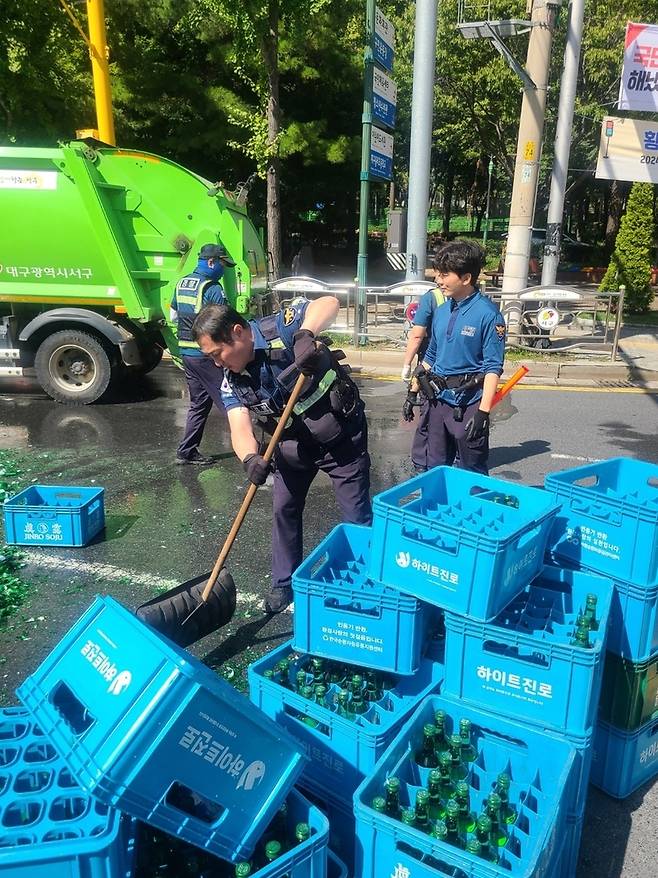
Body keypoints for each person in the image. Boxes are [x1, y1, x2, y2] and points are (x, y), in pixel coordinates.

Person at [192, 296, 372, 613]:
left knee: (355, 515)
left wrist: (306, 334)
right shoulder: (230, 382)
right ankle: (283, 583)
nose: (217, 363)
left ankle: (368, 582)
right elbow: (239, 427)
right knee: (284, 510)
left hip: (340, 437)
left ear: (238, 332)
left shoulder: (280, 328)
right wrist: (249, 458)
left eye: (217, 353)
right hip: (290, 446)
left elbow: (328, 302)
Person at [411, 240, 505, 475]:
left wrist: (483, 413)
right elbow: (431, 354)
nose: (438, 281)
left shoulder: (488, 315)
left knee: (471, 469)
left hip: (469, 403)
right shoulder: (442, 310)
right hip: (438, 401)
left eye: (444, 275)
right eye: (438, 275)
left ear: (465, 278)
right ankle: (437, 510)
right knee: (435, 468)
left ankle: (473, 509)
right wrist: (412, 390)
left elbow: (493, 366)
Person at [172, 243, 236, 465]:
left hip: (187, 355)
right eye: (222, 264)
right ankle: (254, 452)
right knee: (232, 401)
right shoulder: (212, 289)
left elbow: (173, 315)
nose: (223, 269)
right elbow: (226, 322)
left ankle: (186, 451)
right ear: (211, 262)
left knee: (199, 404)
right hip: (207, 356)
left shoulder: (182, 284)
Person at [400, 251, 446, 472]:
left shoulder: (431, 298)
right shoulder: (474, 299)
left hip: (432, 361)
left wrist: (407, 365)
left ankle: (421, 461)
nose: (438, 280)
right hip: (456, 367)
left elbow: (417, 335)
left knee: (429, 410)